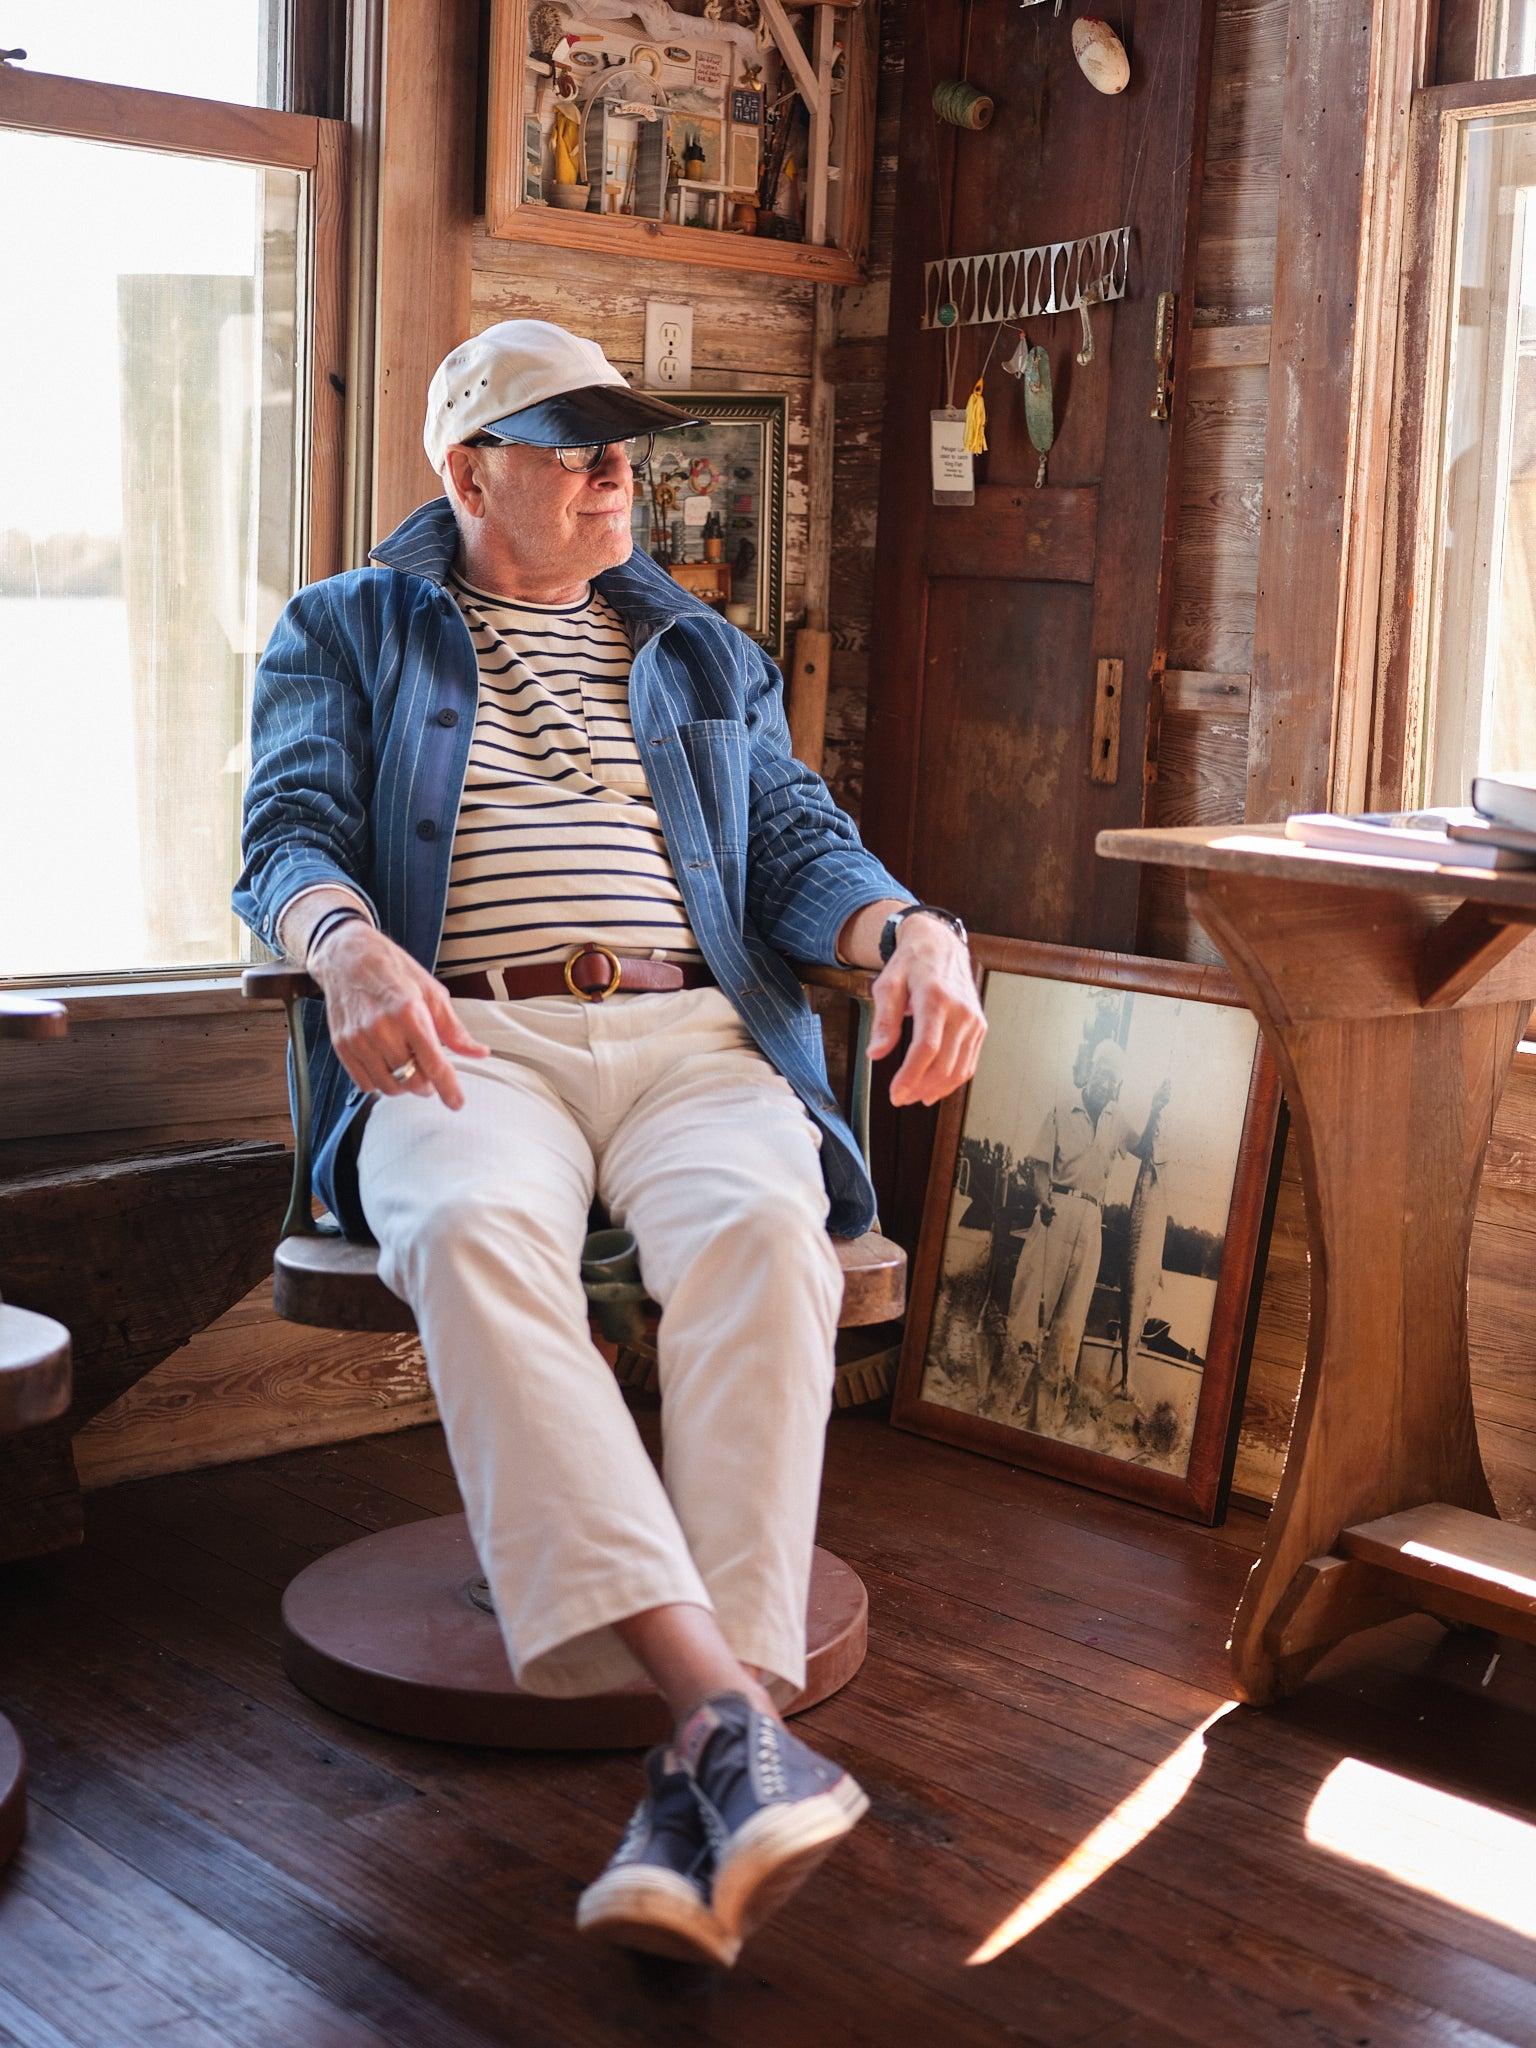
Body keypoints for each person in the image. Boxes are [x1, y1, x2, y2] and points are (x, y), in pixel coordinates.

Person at [235, 321, 985, 1967]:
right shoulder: (348, 628)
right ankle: (730, 1713)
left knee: (760, 1233)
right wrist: (347, 944)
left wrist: (914, 929)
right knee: (470, 1232)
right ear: (465, 471)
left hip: (694, 1040)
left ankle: (694, 1765)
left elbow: (799, 847)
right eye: (568, 442)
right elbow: (282, 833)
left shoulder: (700, 653)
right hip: (466, 1035)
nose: (612, 470)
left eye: (621, 442)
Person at [1001, 1040, 1168, 1418]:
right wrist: (1043, 1199)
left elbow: (1143, 1149)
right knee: (1031, 1305)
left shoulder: (1116, 1118)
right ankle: (1006, 1399)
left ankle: (1047, 1415)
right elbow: (1040, 1167)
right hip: (1055, 1209)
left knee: (1071, 1318)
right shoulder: (1062, 1108)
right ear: (1089, 1071)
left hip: (1093, 1219)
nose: (1104, 1083)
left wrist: (1156, 1107)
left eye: (1112, 1079)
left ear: (1117, 1086)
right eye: (1100, 1073)